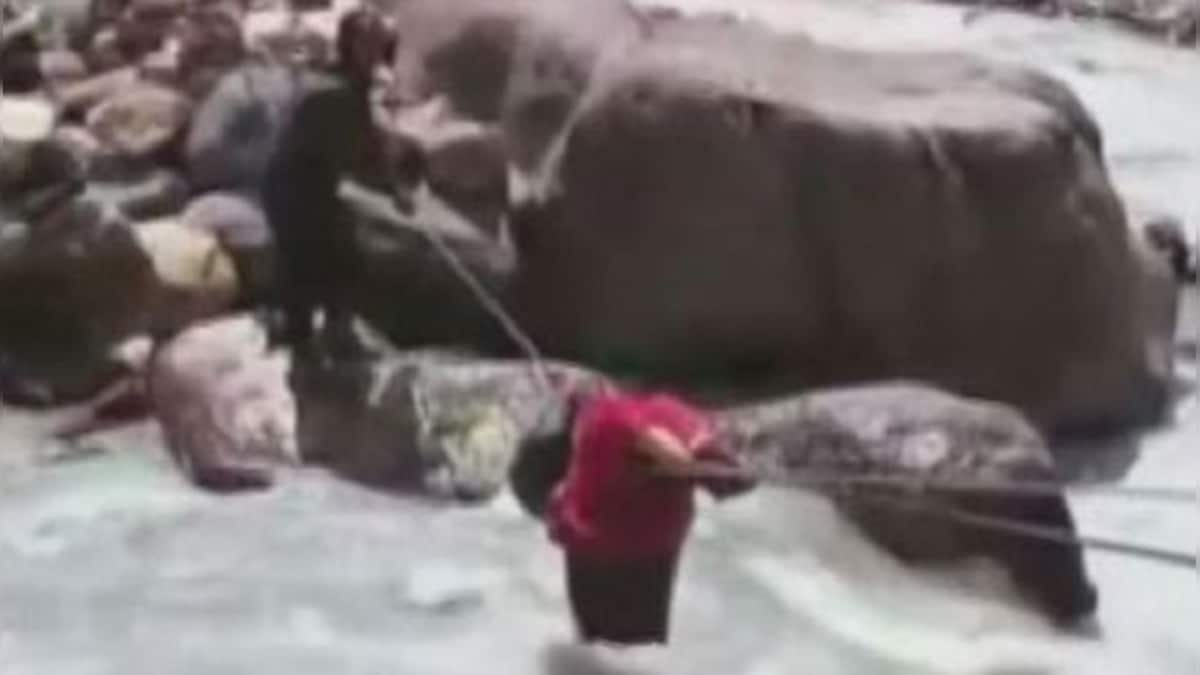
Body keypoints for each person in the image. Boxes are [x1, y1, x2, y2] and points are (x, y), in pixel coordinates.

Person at [546, 384, 754, 645]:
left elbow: (677, 458)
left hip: (609, 543)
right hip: (645, 541)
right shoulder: (670, 412)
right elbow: (690, 459)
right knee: (627, 639)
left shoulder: (615, 414)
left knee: (602, 636)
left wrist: (679, 462)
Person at [260, 7, 405, 357]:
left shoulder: (351, 86)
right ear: (348, 46)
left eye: (378, 45)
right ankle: (306, 349)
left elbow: (366, 145)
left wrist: (393, 187)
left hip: (312, 185)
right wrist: (391, 189)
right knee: (315, 266)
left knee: (335, 263)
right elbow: (357, 151)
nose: (374, 53)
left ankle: (328, 339)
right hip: (294, 190)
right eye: (366, 44)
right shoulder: (330, 92)